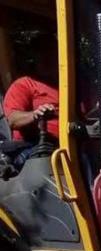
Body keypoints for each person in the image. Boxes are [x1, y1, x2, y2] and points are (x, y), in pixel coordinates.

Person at [2, 33, 59, 167]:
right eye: (41, 52)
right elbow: (13, 119)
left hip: (76, 146)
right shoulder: (24, 84)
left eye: (51, 52)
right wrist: (35, 114)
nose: (47, 57)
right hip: (37, 150)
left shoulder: (72, 86)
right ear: (34, 57)